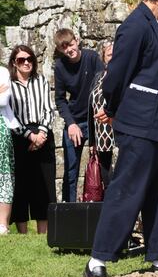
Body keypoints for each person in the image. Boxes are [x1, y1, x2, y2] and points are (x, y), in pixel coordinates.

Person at [84, 0, 158, 277]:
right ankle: (98, 259)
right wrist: (115, 109)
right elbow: (116, 76)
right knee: (127, 189)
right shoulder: (136, 25)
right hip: (141, 125)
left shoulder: (154, 25)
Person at [7, 45, 57, 234]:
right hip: (19, 136)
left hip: (43, 134)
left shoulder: (41, 80)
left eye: (29, 59)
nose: (26, 62)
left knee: (43, 184)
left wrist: (41, 135)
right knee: (21, 185)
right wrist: (29, 136)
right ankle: (22, 233)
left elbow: (48, 109)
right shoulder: (8, 84)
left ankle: (43, 231)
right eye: (21, 60)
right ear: (14, 63)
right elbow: (8, 114)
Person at [53, 29, 104, 202]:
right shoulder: (60, 66)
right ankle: (69, 210)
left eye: (71, 43)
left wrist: (99, 124)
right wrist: (71, 124)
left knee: (103, 166)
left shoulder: (92, 58)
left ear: (77, 40)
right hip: (75, 120)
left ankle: (104, 209)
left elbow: (103, 88)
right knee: (70, 170)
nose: (69, 49)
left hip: (96, 120)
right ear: (60, 50)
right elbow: (60, 99)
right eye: (64, 47)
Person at [87, 41, 116, 187]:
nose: (113, 57)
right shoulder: (97, 77)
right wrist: (92, 141)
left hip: (116, 131)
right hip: (101, 135)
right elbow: (91, 108)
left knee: (118, 173)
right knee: (106, 174)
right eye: (109, 54)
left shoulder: (123, 75)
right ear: (103, 58)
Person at [0, 64, 19, 234]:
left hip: (1, 127)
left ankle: (3, 225)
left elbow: (3, 100)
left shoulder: (3, 72)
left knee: (4, 174)